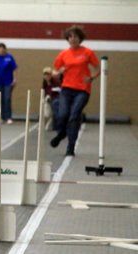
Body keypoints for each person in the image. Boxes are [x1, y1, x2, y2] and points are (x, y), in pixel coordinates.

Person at [50, 25, 100, 156]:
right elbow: (54, 71)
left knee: (74, 116)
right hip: (66, 89)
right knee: (62, 115)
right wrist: (58, 72)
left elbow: (97, 68)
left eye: (75, 36)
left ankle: (70, 147)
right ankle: (61, 134)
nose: (73, 39)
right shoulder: (63, 54)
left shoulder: (87, 52)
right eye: (70, 36)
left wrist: (92, 77)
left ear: (80, 38)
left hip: (82, 90)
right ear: (67, 39)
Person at [0, 42, 17, 124]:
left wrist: (15, 79)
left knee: (7, 98)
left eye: (2, 50)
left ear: (5, 50)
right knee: (0, 99)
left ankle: (8, 117)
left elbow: (15, 69)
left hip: (8, 82)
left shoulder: (9, 58)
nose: (1, 51)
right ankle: (1, 117)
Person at [42, 66, 62, 131]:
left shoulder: (56, 81)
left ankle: (57, 126)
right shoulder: (44, 82)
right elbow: (43, 90)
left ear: (51, 75)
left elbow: (59, 90)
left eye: (48, 74)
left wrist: (50, 95)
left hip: (56, 98)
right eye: (45, 74)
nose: (46, 76)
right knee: (46, 113)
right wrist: (46, 96)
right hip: (48, 99)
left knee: (55, 106)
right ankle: (50, 123)